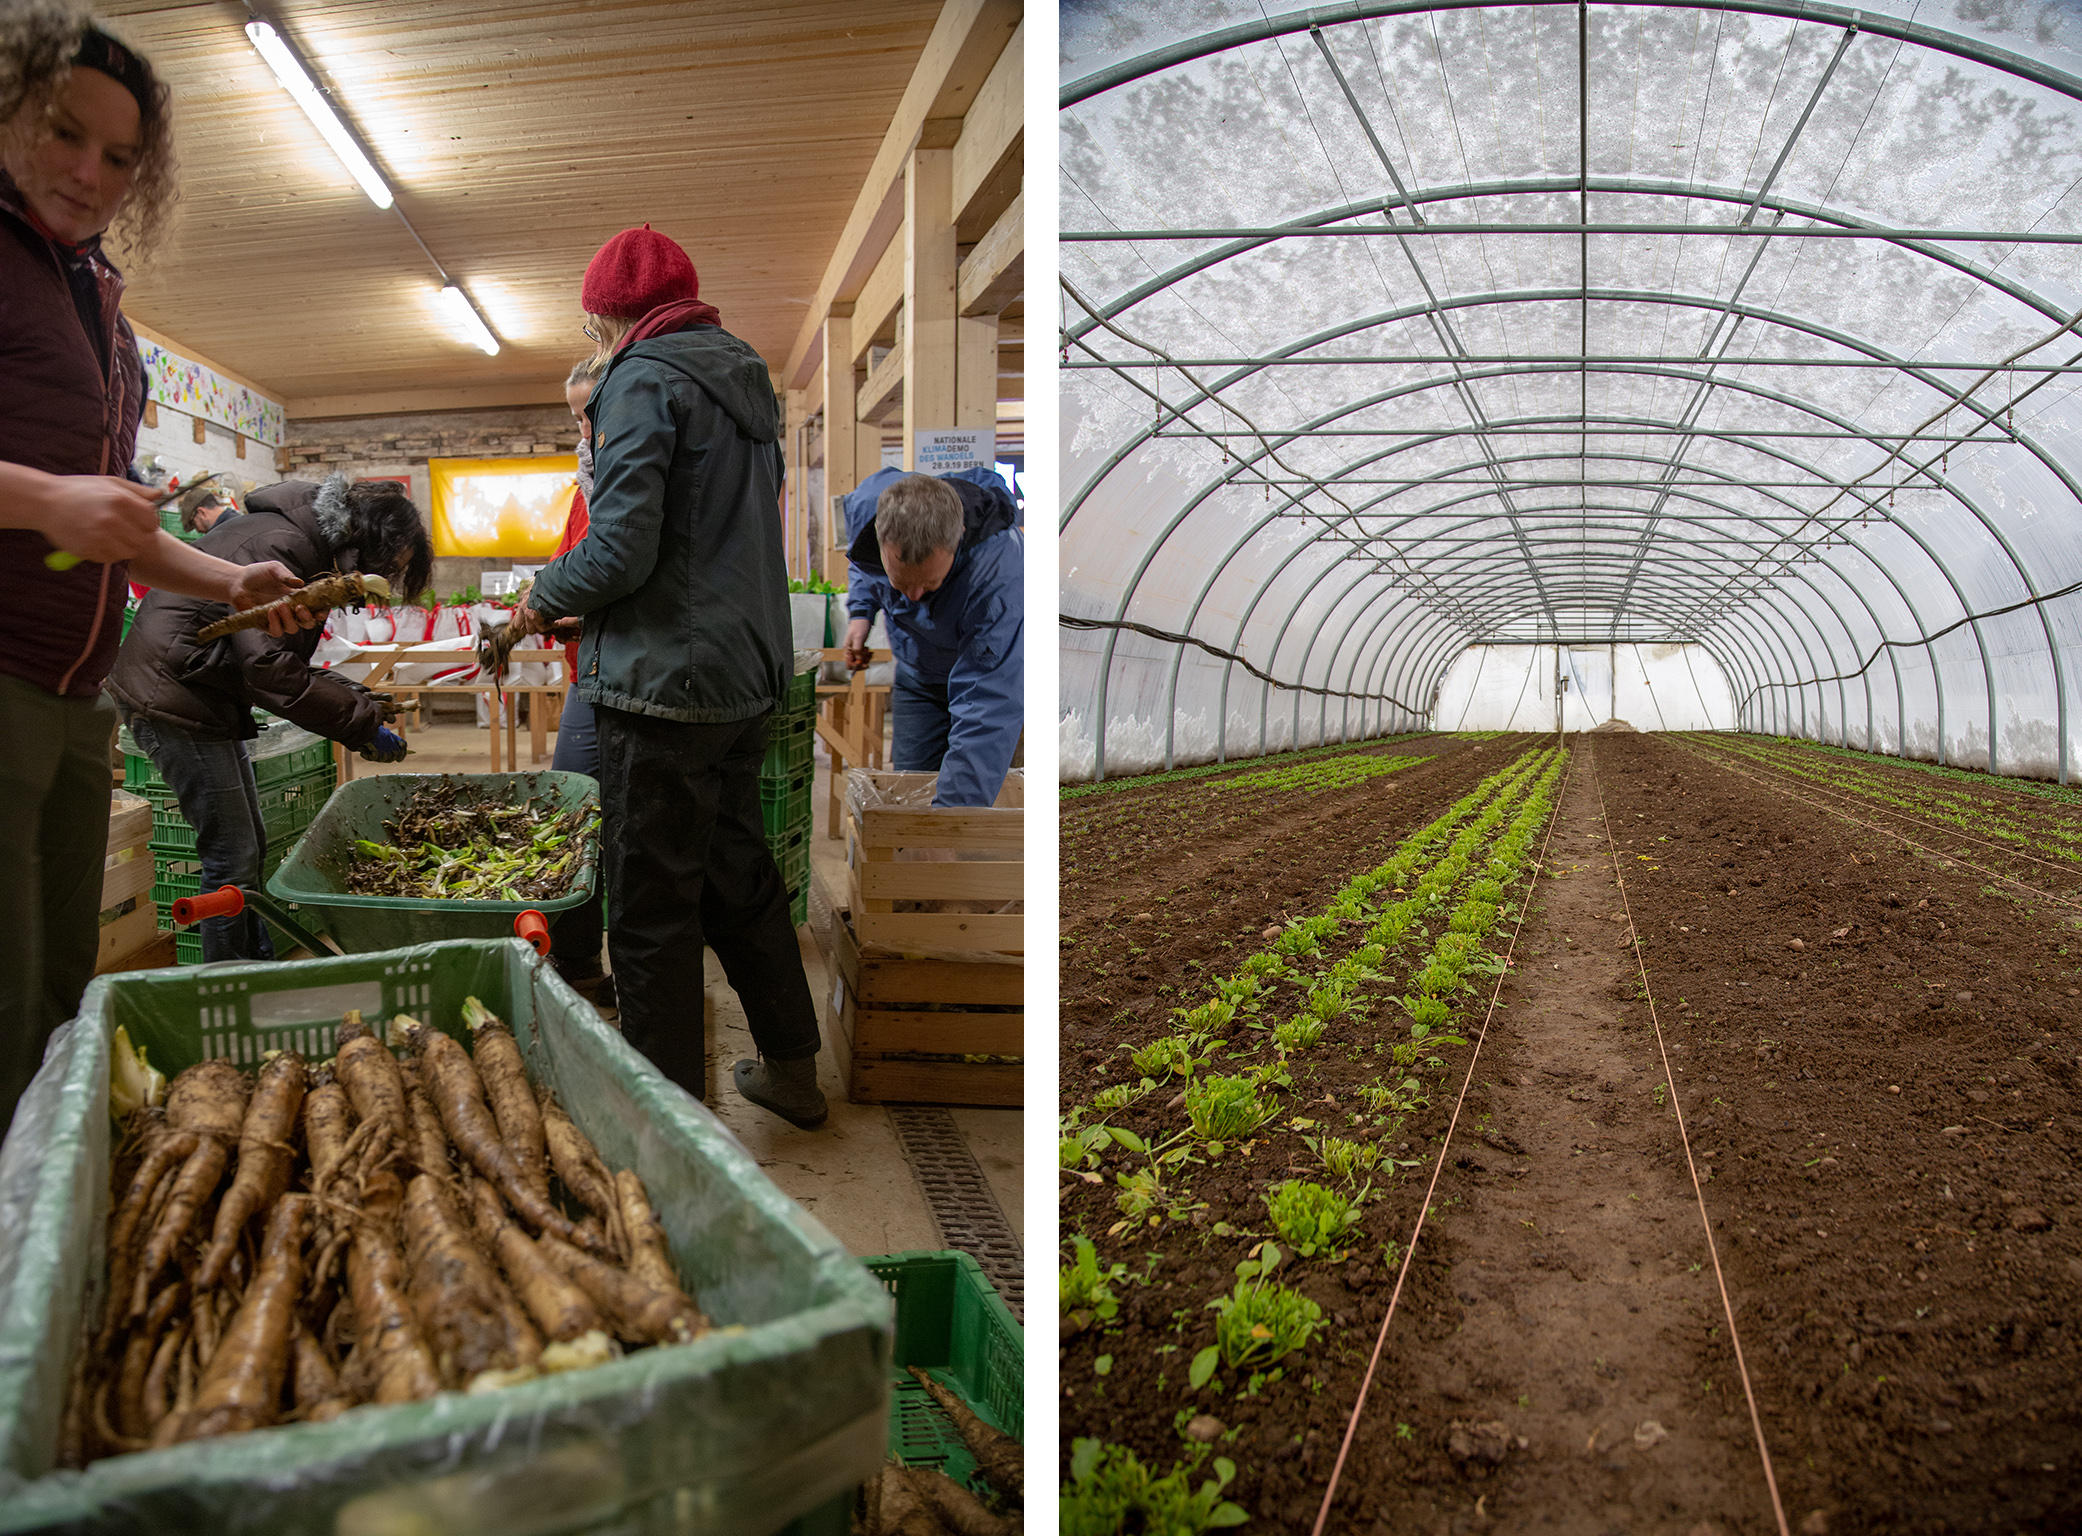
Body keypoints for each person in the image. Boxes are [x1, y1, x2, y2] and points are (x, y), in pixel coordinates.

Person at [0, 12, 306, 1131]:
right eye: (63, 133)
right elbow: (68, 504)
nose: (91, 171)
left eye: (120, 155)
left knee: (51, 991)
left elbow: (115, 523)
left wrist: (230, 583)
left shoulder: (99, 304)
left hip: (76, 695)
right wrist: (47, 498)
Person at [509, 223, 826, 1128]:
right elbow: (705, 542)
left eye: (592, 329)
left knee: (650, 906)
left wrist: (539, 597)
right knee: (736, 872)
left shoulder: (639, 379)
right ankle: (793, 1070)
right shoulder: (744, 379)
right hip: (744, 673)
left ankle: (668, 1123)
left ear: (608, 319)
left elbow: (618, 549)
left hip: (663, 686)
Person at [108, 475, 429, 960]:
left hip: (197, 689)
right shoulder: (290, 545)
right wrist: (360, 725)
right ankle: (227, 984)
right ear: (367, 539)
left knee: (247, 844)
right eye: (388, 563)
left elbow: (277, 660)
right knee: (232, 854)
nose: (384, 576)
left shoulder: (302, 541)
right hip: (173, 693)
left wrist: (360, 701)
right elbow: (269, 670)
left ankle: (253, 963)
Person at [840, 467, 1024, 807]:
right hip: (918, 675)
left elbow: (988, 702)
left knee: (969, 805)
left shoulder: (999, 575)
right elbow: (861, 563)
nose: (912, 596)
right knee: (910, 794)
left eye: (930, 584)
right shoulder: (868, 505)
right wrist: (861, 613)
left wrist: (947, 823)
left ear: (958, 540)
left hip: (981, 672)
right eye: (900, 583)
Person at [545, 353, 609, 997]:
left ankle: (581, 961)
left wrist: (569, 607)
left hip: (609, 673)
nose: (583, 431)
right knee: (577, 807)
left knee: (580, 808)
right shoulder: (586, 485)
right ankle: (579, 962)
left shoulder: (623, 483)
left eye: (589, 414)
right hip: (584, 666)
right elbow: (573, 559)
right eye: (575, 419)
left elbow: (618, 569)